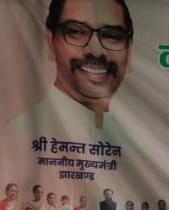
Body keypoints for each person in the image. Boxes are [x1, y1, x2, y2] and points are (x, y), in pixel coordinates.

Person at [43, 0, 133, 128]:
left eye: (112, 36)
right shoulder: (26, 131)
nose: (96, 51)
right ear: (51, 42)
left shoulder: (137, 136)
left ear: (129, 51)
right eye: (76, 31)